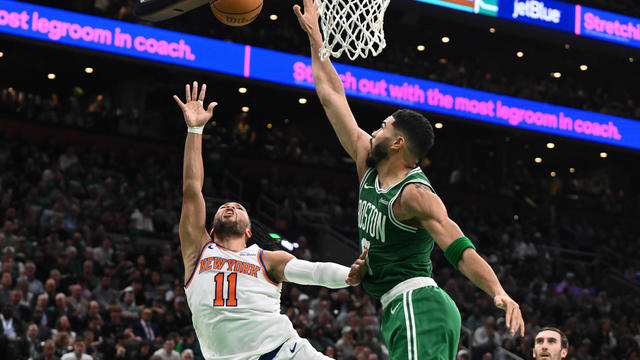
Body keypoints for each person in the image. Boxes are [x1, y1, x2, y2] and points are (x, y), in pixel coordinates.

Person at [293, 1, 525, 359]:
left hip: (419, 303)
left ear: (398, 143)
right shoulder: (366, 160)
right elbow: (331, 96)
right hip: (398, 307)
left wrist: (498, 291)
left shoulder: (415, 195)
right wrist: (315, 37)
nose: (375, 129)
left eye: (383, 126)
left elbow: (460, 250)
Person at [173, 81, 364, 360]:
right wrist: (195, 130)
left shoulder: (268, 259)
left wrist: (349, 277)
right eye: (225, 206)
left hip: (283, 351)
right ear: (210, 228)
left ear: (249, 231)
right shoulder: (198, 251)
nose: (231, 206)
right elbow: (192, 188)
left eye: (238, 207)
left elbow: (314, 272)